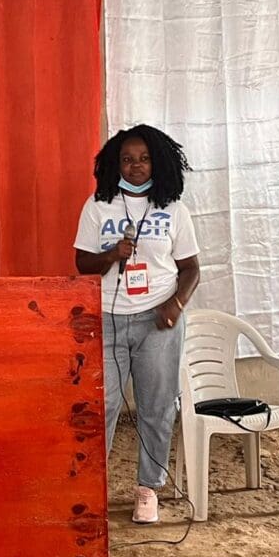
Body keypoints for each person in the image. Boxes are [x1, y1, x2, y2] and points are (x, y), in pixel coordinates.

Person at [74, 124, 200, 525]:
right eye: (127, 159)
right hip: (108, 319)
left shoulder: (174, 210)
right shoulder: (98, 206)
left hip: (158, 320)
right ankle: (91, 490)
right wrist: (112, 254)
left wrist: (176, 305)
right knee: (102, 406)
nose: (136, 166)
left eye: (144, 158)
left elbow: (191, 269)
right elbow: (81, 264)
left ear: (157, 162)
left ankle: (148, 489)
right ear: (116, 163)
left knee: (156, 407)